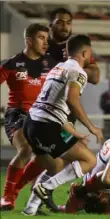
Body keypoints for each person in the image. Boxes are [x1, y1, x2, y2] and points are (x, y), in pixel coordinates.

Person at [10, 7, 102, 206]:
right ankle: (28, 195)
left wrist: (73, 66)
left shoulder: (75, 48)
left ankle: (35, 197)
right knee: (48, 156)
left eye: (68, 22)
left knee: (53, 159)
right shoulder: (42, 45)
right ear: (50, 25)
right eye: (59, 22)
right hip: (43, 111)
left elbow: (95, 76)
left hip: (63, 114)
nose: (65, 26)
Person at [0, 23, 57, 211]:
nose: (45, 43)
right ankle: (7, 197)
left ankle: (14, 190)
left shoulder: (51, 63)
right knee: (25, 149)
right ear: (29, 40)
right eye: (41, 38)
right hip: (18, 115)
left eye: (47, 39)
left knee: (52, 162)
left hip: (42, 117)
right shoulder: (12, 64)